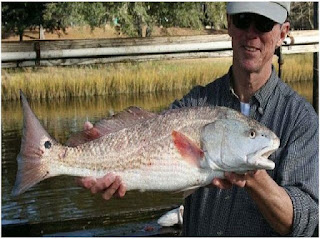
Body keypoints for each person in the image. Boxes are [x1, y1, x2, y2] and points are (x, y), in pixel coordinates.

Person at [76, 2, 318, 236]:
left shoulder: (301, 120)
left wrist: (252, 176)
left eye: (264, 23)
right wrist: (97, 152)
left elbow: (302, 223)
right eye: (243, 20)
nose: (251, 34)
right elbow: (151, 153)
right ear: (229, 24)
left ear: (283, 32)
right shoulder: (195, 103)